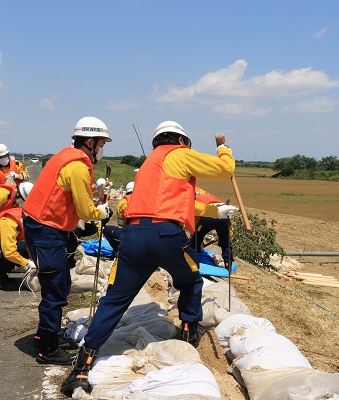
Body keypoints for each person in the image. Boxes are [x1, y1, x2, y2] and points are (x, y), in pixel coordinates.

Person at [61, 121, 238, 396]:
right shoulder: (177, 153)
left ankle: (82, 366)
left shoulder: (149, 166)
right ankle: (189, 331)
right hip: (166, 235)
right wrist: (224, 149)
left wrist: (217, 212)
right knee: (191, 280)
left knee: (115, 300)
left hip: (133, 236)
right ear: (181, 140)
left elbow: (183, 203)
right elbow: (224, 169)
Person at [23, 116, 113, 366]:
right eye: (102, 143)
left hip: (43, 227)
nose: (103, 149)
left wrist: (96, 194)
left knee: (59, 284)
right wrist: (102, 212)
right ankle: (47, 350)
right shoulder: (77, 167)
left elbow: (73, 196)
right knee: (54, 288)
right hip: (46, 230)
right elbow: (85, 211)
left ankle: (44, 335)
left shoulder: (67, 158)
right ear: (91, 142)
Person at [190, 186, 234, 268]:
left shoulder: (190, 196)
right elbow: (229, 230)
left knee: (196, 238)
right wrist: (227, 234)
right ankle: (228, 264)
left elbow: (193, 220)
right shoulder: (204, 192)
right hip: (224, 213)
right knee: (226, 243)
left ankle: (192, 260)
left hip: (209, 212)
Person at [102, 181, 133, 256]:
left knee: (106, 230)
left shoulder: (123, 203)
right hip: (147, 234)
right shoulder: (144, 201)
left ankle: (118, 250)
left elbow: (121, 224)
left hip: (130, 233)